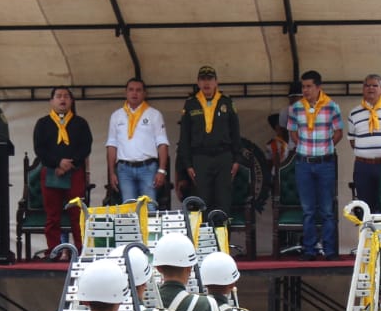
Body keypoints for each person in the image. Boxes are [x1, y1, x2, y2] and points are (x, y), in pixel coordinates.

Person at [285, 70, 345, 261]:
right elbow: (293, 132)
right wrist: (304, 147)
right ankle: (309, 250)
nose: (305, 90)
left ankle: (329, 251)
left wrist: (326, 147)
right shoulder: (296, 108)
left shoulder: (331, 106)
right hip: (304, 163)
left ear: (319, 87)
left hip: (325, 162)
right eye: (303, 86)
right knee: (308, 210)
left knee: (327, 210)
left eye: (309, 86)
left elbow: (339, 132)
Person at [32, 86, 92, 256]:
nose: (62, 99)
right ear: (51, 101)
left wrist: (69, 164)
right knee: (52, 216)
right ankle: (54, 251)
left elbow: (86, 147)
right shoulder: (42, 123)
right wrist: (58, 163)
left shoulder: (80, 123)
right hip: (51, 172)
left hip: (74, 172)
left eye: (66, 96)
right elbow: (39, 149)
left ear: (71, 101)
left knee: (77, 213)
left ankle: (81, 250)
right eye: (58, 96)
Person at [176, 65, 240, 219]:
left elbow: (236, 133)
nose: (206, 83)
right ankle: (204, 234)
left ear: (216, 82)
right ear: (198, 82)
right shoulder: (191, 104)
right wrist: (188, 164)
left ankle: (223, 234)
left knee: (223, 200)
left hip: (223, 157)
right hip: (200, 158)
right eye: (203, 79)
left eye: (210, 79)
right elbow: (184, 137)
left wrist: (237, 159)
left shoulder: (226, 102)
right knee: (202, 200)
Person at [106, 78, 169, 211]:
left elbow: (162, 143)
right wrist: (111, 172)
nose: (134, 93)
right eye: (131, 90)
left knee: (149, 208)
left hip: (148, 168)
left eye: (138, 90)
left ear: (144, 93)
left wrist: (162, 170)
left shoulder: (154, 114)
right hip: (124, 169)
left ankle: (149, 226)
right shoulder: (116, 116)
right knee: (128, 209)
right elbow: (112, 145)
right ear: (126, 92)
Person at [347, 74, 381, 212]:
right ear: (363, 89)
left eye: (375, 85)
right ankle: (368, 227)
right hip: (363, 167)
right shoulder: (354, 113)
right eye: (367, 85)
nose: (371, 88)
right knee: (365, 207)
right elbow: (352, 140)